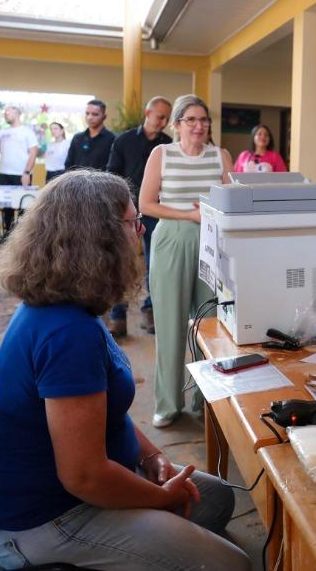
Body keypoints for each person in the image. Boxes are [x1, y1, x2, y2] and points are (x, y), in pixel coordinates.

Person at [0, 170, 248, 570]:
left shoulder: (73, 309)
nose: (140, 232)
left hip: (91, 489)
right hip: (51, 519)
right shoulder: (67, 333)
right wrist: (160, 497)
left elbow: (105, 414)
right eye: (132, 222)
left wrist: (154, 458)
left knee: (217, 497)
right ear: (99, 237)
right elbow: (84, 477)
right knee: (232, 564)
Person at [139, 95, 233, 428]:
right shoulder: (161, 154)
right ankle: (168, 403)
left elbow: (232, 202)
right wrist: (188, 214)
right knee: (169, 324)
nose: (199, 126)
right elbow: (146, 204)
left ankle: (202, 400)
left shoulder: (220, 156)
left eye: (204, 120)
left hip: (211, 242)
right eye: (191, 119)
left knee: (209, 324)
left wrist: (208, 212)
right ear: (176, 124)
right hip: (171, 240)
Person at [106, 96, 173, 337]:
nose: (164, 122)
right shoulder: (123, 140)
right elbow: (112, 175)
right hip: (125, 212)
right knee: (120, 262)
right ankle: (117, 316)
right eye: (160, 116)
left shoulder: (168, 146)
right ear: (147, 113)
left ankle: (150, 310)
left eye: (167, 118)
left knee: (155, 264)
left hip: (155, 212)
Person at [0, 106, 38, 234]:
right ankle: (8, 234)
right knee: (7, 206)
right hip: (4, 173)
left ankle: (22, 235)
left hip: (21, 174)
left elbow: (33, 153)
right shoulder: (2, 133)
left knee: (23, 206)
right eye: (5, 112)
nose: (6, 114)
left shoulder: (27, 132)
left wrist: (27, 172)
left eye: (9, 112)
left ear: (18, 113)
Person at [65, 99, 116, 171]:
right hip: (77, 181)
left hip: (101, 181)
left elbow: (113, 167)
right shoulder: (77, 138)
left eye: (95, 114)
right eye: (87, 113)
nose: (90, 117)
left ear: (104, 116)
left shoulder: (112, 139)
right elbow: (68, 164)